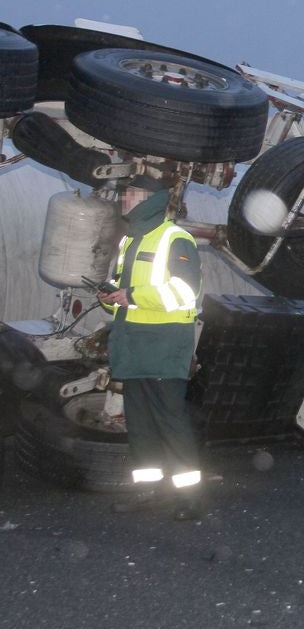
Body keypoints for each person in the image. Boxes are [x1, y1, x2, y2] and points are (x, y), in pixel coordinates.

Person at [97, 175, 205, 520]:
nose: (124, 198)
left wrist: (130, 295)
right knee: (142, 426)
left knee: (171, 423)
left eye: (130, 192)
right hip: (133, 348)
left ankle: (189, 499)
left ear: (149, 198)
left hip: (163, 348)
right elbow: (123, 301)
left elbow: (185, 292)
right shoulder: (131, 241)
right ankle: (150, 492)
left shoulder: (175, 238)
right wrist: (110, 297)